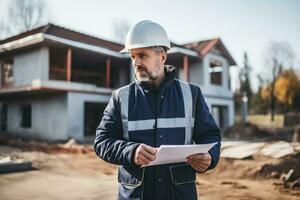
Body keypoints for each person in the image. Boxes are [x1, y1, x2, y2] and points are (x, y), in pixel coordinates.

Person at [94, 20, 221, 200]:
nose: (136, 62)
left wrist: (210, 157)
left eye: (142, 55)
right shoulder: (120, 98)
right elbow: (101, 142)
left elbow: (211, 136)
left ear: (162, 56)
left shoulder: (191, 94)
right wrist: (130, 151)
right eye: (133, 56)